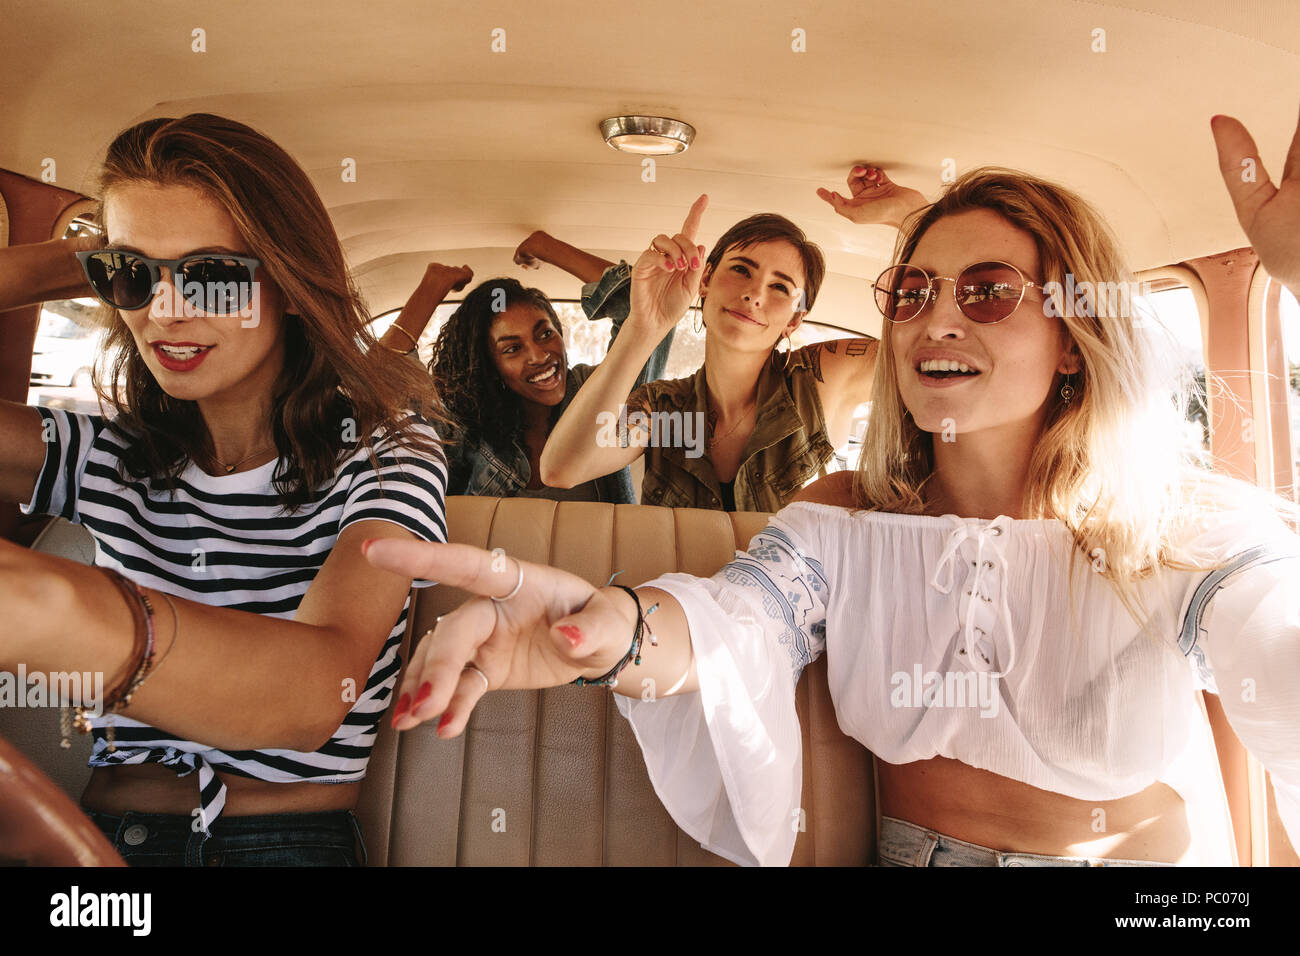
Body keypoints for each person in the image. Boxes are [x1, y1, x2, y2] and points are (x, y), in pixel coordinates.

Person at [364, 106, 1300, 866]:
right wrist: (612, 631)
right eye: (911, 293)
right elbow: (735, 612)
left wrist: (914, 216)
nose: (935, 322)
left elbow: (1277, 640)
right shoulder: (802, 492)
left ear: (1071, 337)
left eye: (987, 292)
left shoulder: (1179, 530)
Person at [0, 113, 448, 866]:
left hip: (279, 842)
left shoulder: (381, 451)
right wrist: (72, 260)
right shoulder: (103, 450)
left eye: (211, 275)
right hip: (100, 835)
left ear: (295, 287)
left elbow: (313, 693)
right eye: (133, 274)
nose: (165, 311)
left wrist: (53, 608)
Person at [539, 176, 910, 512]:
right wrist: (643, 326)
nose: (754, 294)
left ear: (795, 319)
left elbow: (928, 353)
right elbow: (562, 469)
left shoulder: (818, 379)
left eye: (780, 287)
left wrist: (909, 218)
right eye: (741, 270)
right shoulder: (663, 411)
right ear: (705, 281)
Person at [413, 269, 671, 501]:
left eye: (545, 334)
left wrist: (545, 246)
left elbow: (644, 308)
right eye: (513, 349)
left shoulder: (593, 390)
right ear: (490, 367)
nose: (539, 356)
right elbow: (388, 393)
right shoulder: (468, 424)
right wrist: (433, 286)